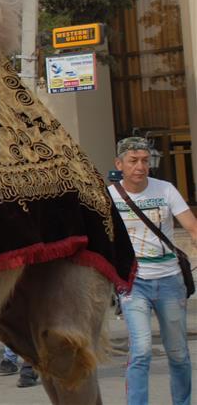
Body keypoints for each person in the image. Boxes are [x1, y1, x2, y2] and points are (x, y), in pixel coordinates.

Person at [108, 136, 197, 405]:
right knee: (141, 351)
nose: (140, 166)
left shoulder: (165, 189)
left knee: (178, 353)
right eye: (133, 161)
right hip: (134, 283)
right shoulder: (109, 196)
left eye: (145, 161)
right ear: (119, 164)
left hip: (170, 281)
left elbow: (192, 226)